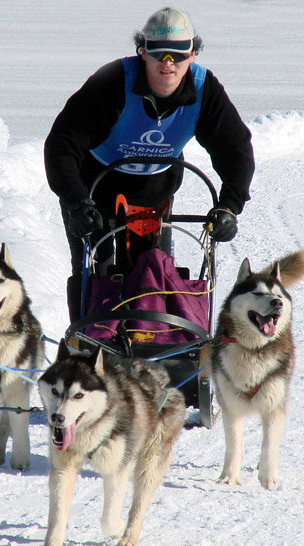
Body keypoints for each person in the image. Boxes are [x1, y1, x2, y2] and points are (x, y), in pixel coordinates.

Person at [45, 7, 254, 321]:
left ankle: (147, 348)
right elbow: (62, 144)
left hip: (154, 191)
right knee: (96, 274)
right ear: (143, 52)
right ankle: (89, 349)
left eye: (178, 55)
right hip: (93, 189)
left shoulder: (204, 90)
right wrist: (76, 201)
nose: (168, 65)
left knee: (150, 272)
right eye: (159, 55)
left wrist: (229, 206)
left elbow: (235, 150)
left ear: (193, 54)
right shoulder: (113, 82)